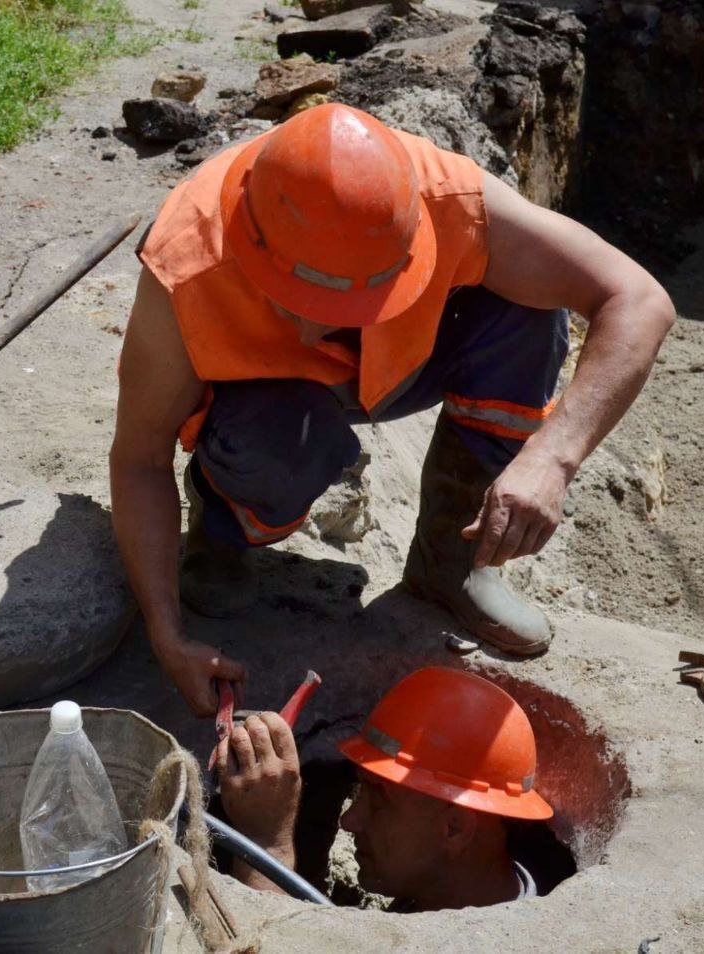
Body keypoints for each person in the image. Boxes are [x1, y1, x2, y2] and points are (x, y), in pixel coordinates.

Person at [111, 103, 674, 715]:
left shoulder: (444, 197)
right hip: (265, 400)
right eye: (311, 301)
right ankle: (223, 532)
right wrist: (167, 635)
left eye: (368, 295)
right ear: (256, 253)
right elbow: (139, 458)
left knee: (529, 315)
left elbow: (640, 299)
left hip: (403, 363)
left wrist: (552, 460)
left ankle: (452, 564)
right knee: (280, 446)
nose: (340, 322)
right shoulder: (188, 260)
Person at [217, 667, 557, 910]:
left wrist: (266, 844)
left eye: (378, 801)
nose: (349, 820)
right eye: (358, 792)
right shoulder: (449, 899)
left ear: (454, 828)